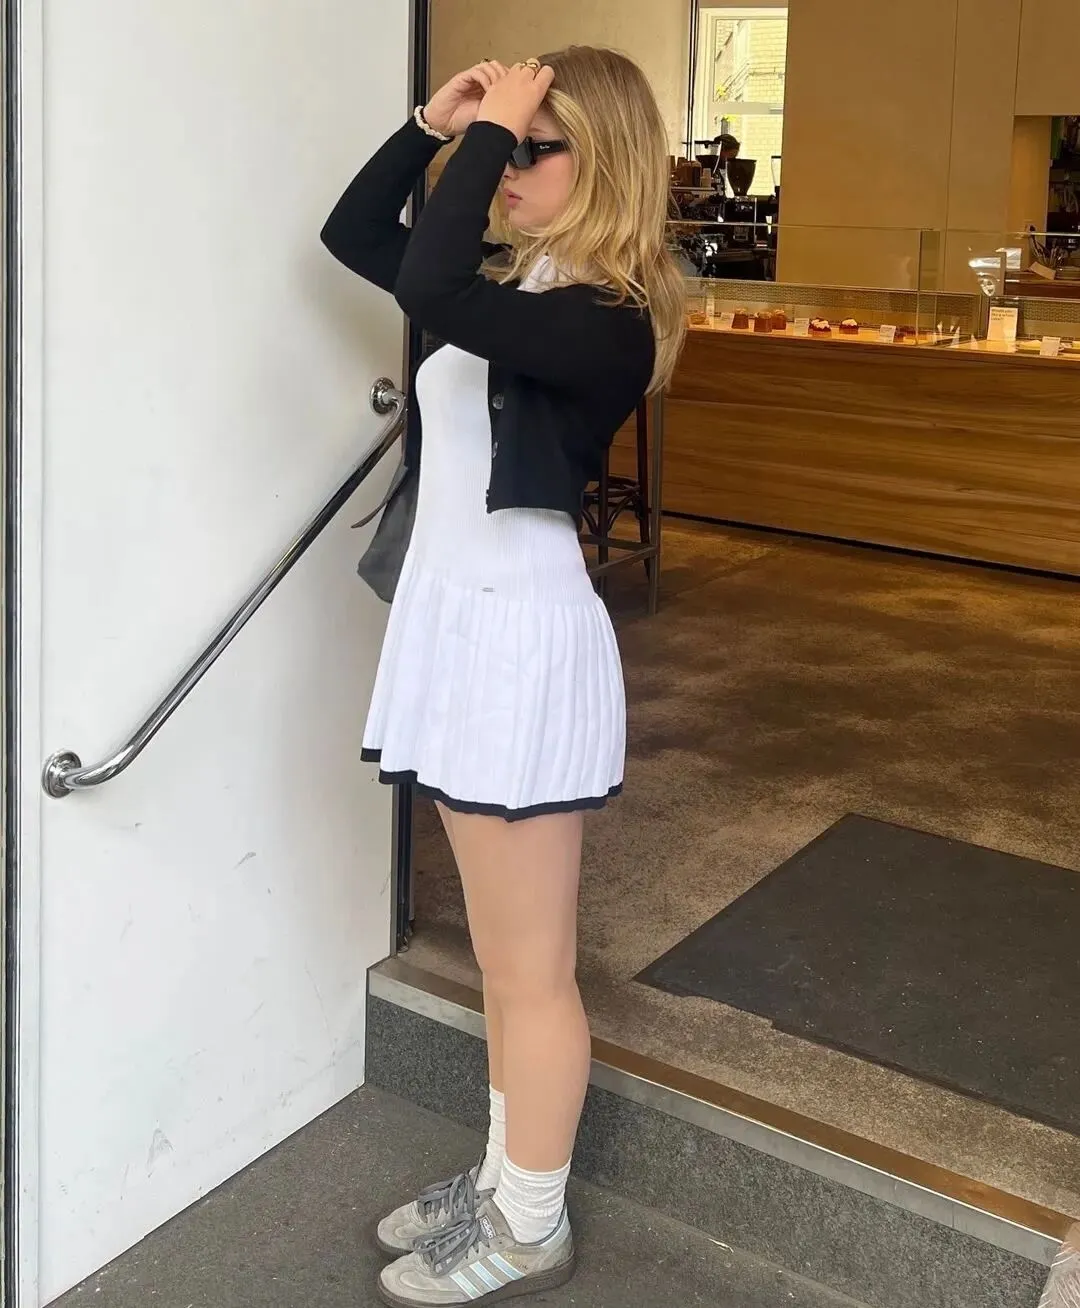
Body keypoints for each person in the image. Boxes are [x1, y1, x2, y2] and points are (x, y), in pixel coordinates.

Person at [321, 46, 684, 1308]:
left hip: (519, 649)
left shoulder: (606, 319)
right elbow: (356, 234)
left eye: (537, 147)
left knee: (530, 971)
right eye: (510, 148)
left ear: (605, 161)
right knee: (500, 959)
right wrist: (435, 124)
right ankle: (500, 1181)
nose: (511, 168)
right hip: (464, 634)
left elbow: (427, 275)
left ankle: (530, 1222)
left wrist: (482, 142)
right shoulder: (520, 284)